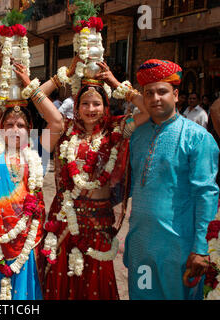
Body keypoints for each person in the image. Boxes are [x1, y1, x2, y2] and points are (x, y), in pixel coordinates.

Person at [38, 57, 150, 300]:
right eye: (85, 104)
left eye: (96, 104)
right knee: (61, 278)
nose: (91, 109)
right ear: (76, 107)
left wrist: (116, 82)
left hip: (98, 221)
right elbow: (36, 96)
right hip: (65, 216)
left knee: (96, 281)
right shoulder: (64, 129)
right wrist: (62, 76)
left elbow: (150, 109)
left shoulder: (116, 130)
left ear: (106, 105)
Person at [124, 59, 219, 300]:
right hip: (140, 245)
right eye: (149, 93)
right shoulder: (138, 136)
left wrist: (200, 247)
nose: (155, 98)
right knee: (141, 295)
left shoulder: (197, 138)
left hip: (178, 247)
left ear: (176, 95)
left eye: (162, 91)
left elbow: (206, 194)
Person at [0, 61, 63, 300]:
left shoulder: (37, 153)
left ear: (29, 129)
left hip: (25, 242)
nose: (14, 129)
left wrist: (30, 88)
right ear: (0, 129)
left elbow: (57, 123)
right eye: (9, 124)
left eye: (21, 125)